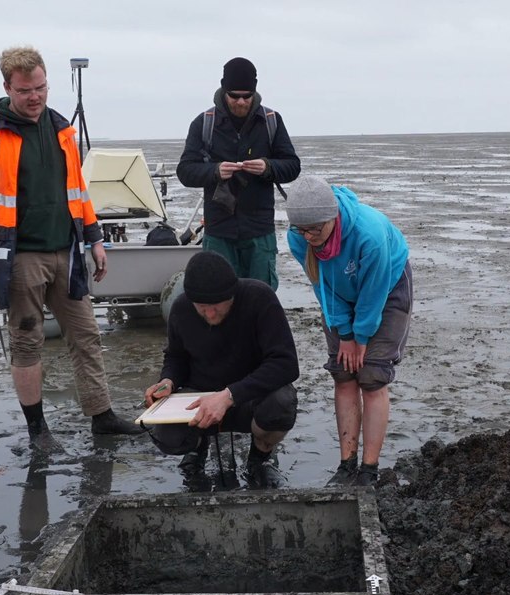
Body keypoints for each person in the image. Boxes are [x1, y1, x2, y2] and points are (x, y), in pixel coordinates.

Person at [0, 46, 139, 453]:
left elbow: (78, 191)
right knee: (27, 341)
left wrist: (96, 240)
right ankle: (37, 430)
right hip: (20, 256)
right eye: (25, 90)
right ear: (7, 88)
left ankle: (101, 416)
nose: (35, 97)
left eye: (41, 88)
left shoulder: (62, 130)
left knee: (87, 335)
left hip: (67, 252)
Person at [283, 176, 413, 486]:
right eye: (302, 230)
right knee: (343, 374)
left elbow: (374, 292)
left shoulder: (369, 234)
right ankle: (346, 465)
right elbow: (321, 285)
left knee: (372, 377)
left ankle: (369, 470)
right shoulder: (298, 238)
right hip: (336, 295)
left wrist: (361, 336)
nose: (309, 237)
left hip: (387, 289)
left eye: (316, 229)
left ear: (332, 218)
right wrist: (344, 333)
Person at [143, 251, 299, 490]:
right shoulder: (181, 308)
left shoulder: (259, 298)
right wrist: (168, 381)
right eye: (202, 307)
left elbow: (286, 363)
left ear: (232, 295)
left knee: (282, 403)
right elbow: (176, 357)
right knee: (167, 435)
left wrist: (229, 395)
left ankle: (260, 456)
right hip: (200, 398)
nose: (210, 314)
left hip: (250, 397)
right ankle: (197, 449)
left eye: (216, 306)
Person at [176, 57, 301, 289]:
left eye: (247, 96)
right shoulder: (204, 123)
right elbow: (185, 171)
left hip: (259, 231)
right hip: (219, 231)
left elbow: (293, 166)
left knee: (261, 296)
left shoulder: (271, 121)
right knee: (217, 294)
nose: (241, 102)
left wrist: (268, 167)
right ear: (224, 90)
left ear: (255, 92)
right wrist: (215, 171)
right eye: (234, 96)